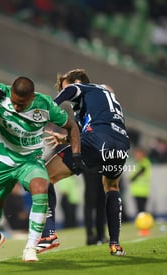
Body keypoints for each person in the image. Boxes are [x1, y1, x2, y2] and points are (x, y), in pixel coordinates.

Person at [0, 76, 81, 262]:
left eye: (22, 104)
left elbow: (71, 126)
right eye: (15, 102)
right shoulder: (1, 94)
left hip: (30, 160)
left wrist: (76, 154)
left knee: (41, 187)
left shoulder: (45, 105)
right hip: (1, 160)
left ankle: (30, 247)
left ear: (32, 97)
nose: (16, 107)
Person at [38, 69, 130, 256]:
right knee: (111, 187)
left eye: (67, 86)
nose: (68, 92)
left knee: (43, 176)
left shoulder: (82, 88)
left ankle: (48, 235)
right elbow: (84, 132)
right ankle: (115, 245)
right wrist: (64, 139)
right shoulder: (102, 96)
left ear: (78, 82)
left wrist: (51, 106)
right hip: (120, 143)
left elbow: (71, 92)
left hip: (97, 141)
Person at [129, 147, 152, 213]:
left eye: (138, 154)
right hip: (136, 190)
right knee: (139, 209)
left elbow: (141, 171)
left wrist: (132, 178)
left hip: (143, 190)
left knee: (141, 208)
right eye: (136, 154)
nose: (137, 156)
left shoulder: (145, 162)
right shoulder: (138, 163)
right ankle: (141, 221)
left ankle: (144, 221)